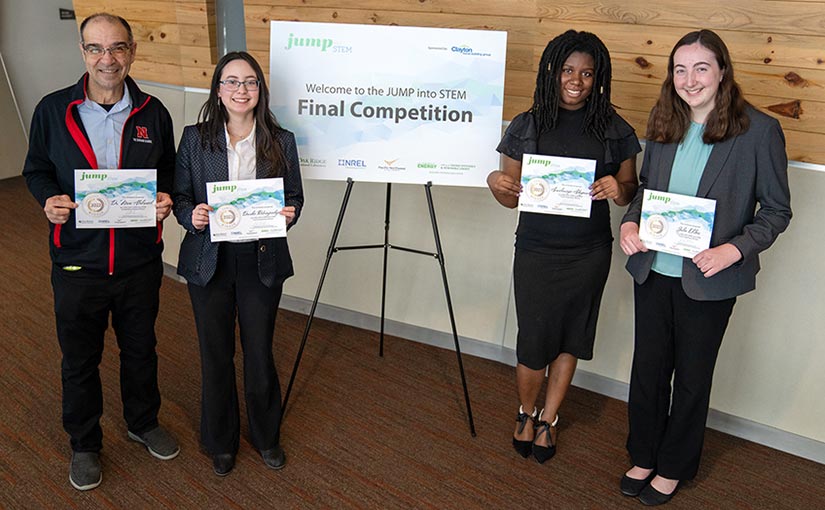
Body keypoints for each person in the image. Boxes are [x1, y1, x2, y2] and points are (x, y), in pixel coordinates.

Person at [618, 29, 792, 505]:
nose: (689, 79)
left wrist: (732, 251)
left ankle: (674, 466)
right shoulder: (663, 122)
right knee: (648, 370)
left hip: (709, 278)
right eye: (680, 69)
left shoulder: (758, 130)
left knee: (693, 377)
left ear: (722, 71)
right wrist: (630, 225)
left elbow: (777, 211)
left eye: (700, 68)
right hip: (653, 270)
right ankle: (644, 454)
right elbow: (646, 192)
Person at [22, 13, 180, 491]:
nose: (106, 59)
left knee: (140, 349)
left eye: (116, 48)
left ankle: (142, 421)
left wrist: (165, 200)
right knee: (79, 358)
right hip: (77, 262)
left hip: (138, 261)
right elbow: (36, 169)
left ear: (131, 51)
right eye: (95, 48)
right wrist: (47, 198)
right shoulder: (54, 110)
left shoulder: (154, 111)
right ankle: (85, 443)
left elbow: (168, 171)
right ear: (82, 52)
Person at [488, 30, 640, 463]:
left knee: (570, 338)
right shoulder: (527, 124)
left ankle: (548, 420)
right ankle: (525, 410)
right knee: (534, 341)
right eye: (568, 70)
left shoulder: (614, 128)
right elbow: (509, 196)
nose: (577, 80)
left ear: (598, 78)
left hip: (589, 252)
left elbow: (630, 191)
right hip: (536, 250)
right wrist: (494, 183)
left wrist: (618, 185)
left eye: (587, 73)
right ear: (552, 72)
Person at [172, 51, 303, 476]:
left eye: (249, 82)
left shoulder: (281, 141)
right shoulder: (195, 137)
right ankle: (220, 441)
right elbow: (180, 196)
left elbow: (294, 196)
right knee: (216, 353)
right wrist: (189, 215)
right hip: (209, 258)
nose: (240, 90)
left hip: (260, 258)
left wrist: (290, 213)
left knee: (260, 352)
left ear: (260, 90)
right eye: (231, 82)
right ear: (218, 89)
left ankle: (267, 436)